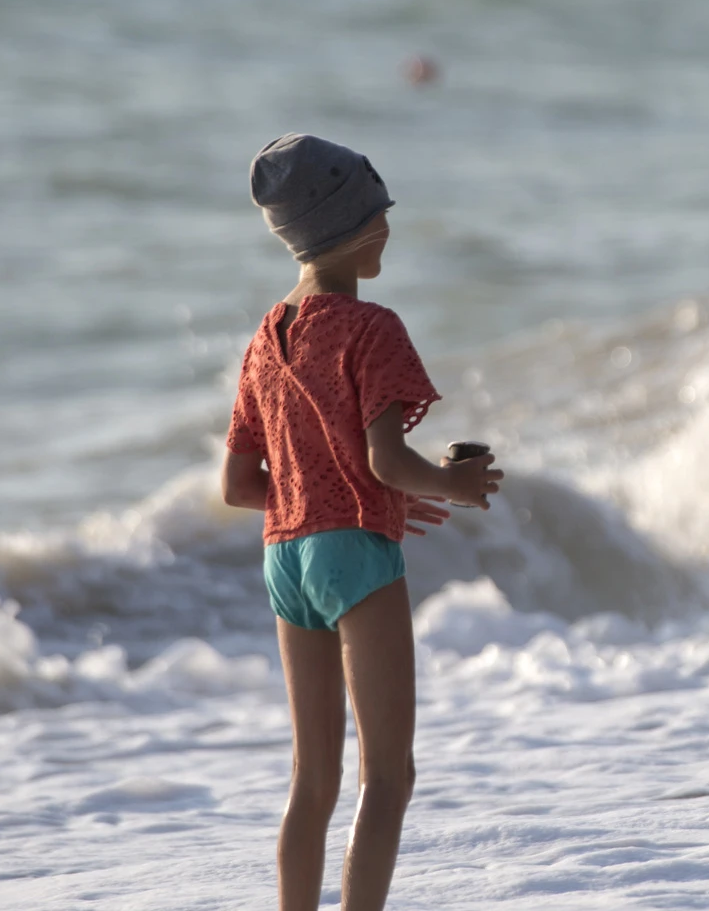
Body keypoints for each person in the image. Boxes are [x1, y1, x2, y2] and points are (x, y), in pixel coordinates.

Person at [220, 133, 503, 911]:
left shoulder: (262, 342)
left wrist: (346, 494)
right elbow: (386, 461)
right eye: (382, 212)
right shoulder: (370, 328)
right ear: (360, 224)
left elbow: (242, 485)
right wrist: (456, 484)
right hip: (353, 558)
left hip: (285, 558)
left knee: (312, 780)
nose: (389, 228)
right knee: (388, 776)